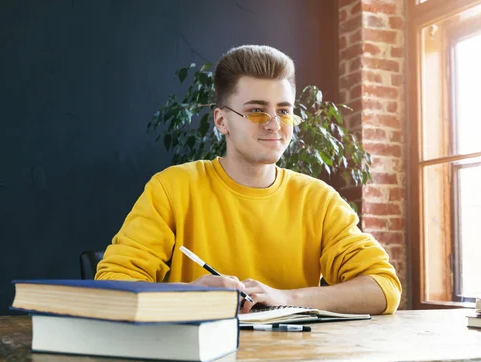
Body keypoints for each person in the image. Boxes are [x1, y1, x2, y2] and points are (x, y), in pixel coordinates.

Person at [96, 45, 401, 315]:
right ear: (221, 121)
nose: (274, 124)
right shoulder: (172, 188)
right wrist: (189, 296)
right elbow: (111, 286)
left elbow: (383, 287)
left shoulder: (318, 199)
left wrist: (286, 297)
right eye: (256, 111)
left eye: (284, 111)